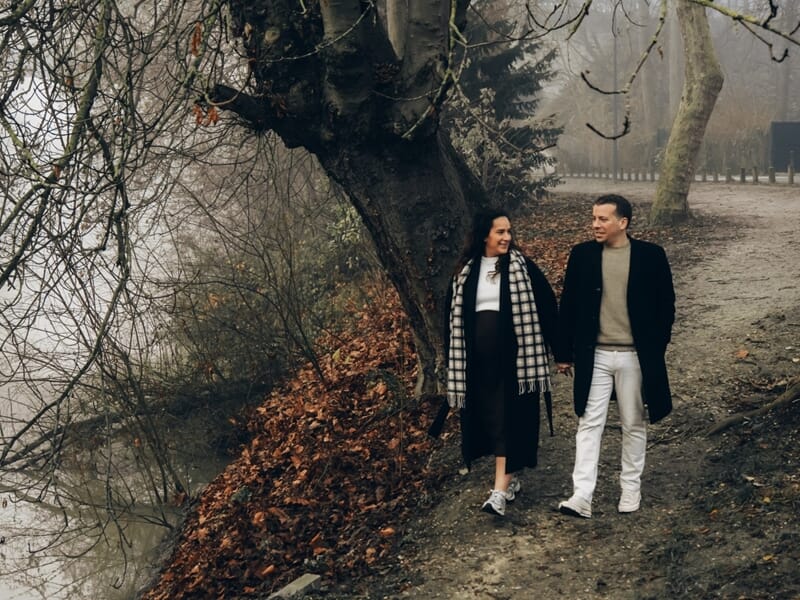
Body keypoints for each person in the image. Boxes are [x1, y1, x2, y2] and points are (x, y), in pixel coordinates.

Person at [554, 194, 675, 518]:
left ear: (623, 222)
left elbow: (667, 307)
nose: (595, 224)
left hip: (635, 357)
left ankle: (630, 488)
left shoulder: (651, 256)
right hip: (596, 356)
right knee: (588, 423)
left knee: (633, 423)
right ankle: (582, 495)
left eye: (602, 219)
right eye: (593, 218)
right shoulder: (582, 256)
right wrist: (564, 352)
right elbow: (569, 306)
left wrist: (653, 349)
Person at [443, 208, 559, 517]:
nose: (507, 237)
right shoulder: (466, 272)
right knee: (493, 419)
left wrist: (562, 353)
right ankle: (510, 480)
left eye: (509, 232)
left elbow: (547, 308)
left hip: (516, 362)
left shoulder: (523, 268)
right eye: (500, 232)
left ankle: (497, 493)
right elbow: (450, 322)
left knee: (509, 417)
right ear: (485, 235)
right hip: (478, 365)